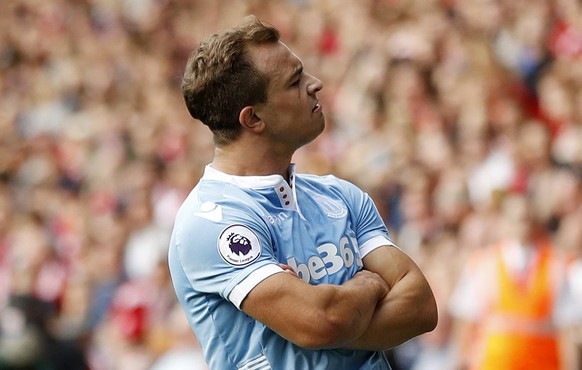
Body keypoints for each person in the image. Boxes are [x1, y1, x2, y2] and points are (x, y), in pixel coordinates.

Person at [168, 15, 438, 370]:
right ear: (253, 120)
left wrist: (336, 322)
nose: (316, 84)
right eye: (295, 81)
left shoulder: (339, 195)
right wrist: (369, 284)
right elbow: (319, 322)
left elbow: (421, 307)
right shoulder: (211, 222)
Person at [448, 192, 580, 370]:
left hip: (543, 363)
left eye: (525, 219)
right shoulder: (483, 263)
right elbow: (465, 320)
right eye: (515, 219)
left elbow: (566, 326)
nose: (521, 225)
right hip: (492, 363)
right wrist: (460, 361)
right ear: (503, 221)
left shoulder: (554, 264)